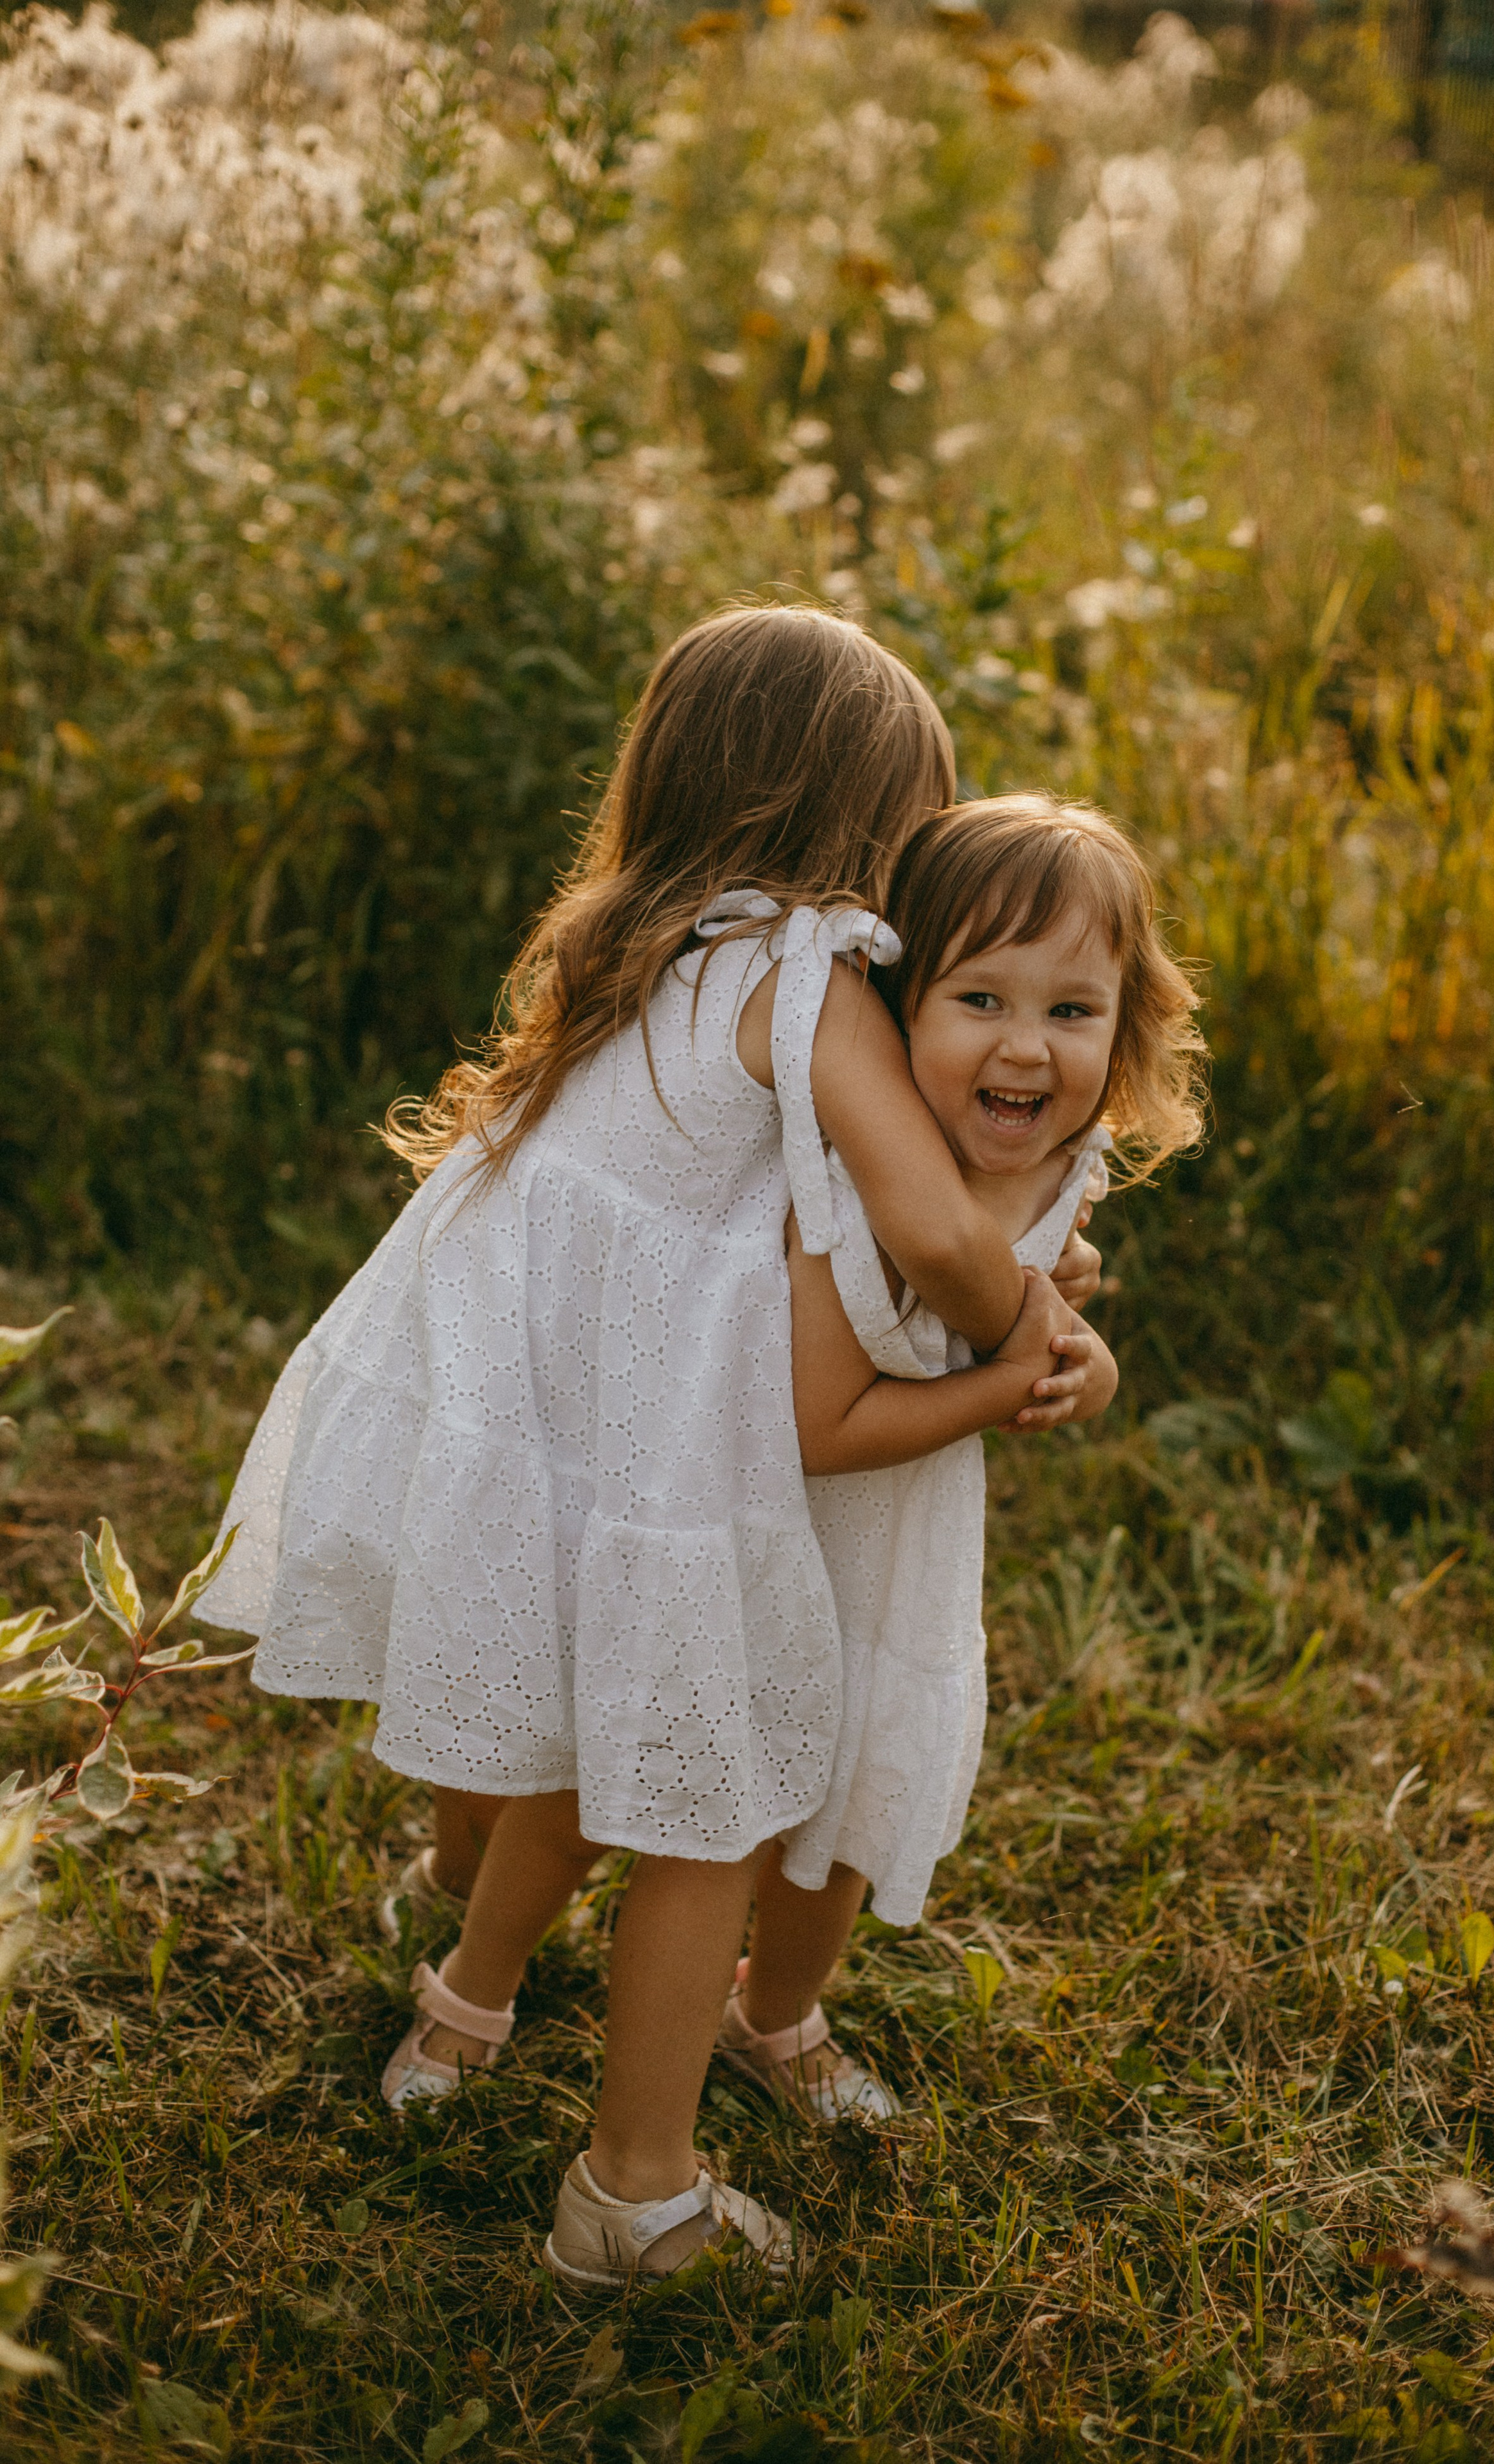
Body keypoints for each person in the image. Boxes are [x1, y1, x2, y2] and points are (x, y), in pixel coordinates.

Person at [198, 606, 1104, 2286]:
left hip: (543, 1427)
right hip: (653, 1461)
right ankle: (625, 2170)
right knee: (706, 1785)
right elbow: (922, 1212)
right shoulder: (809, 963)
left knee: (550, 1725)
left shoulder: (639, 950)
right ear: (851, 825)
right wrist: (1034, 1331)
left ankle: (467, 1990)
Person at [716, 794, 1205, 2121]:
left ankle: (774, 2010)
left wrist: (1079, 1366)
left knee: (856, 1788)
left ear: (1125, 1026)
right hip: (769, 1515)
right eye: (978, 999)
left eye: (1070, 1011)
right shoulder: (868, 1173)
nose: (1026, 1049)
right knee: (694, 1782)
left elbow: (1053, 1311)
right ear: (894, 1007)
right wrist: (1005, 1384)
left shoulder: (1069, 1164)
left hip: (907, 1550)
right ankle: (481, 1936)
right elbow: (830, 1421)